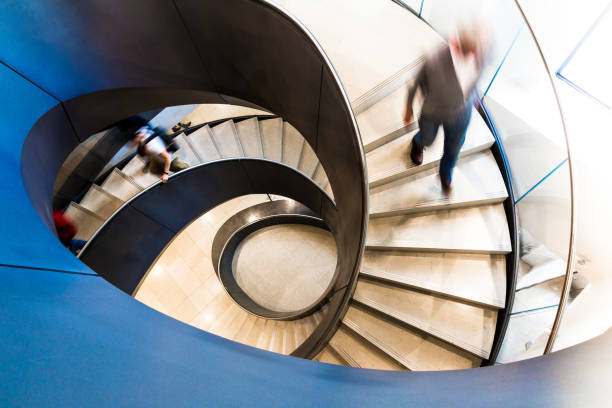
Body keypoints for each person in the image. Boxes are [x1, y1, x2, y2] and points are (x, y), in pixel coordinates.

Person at [404, 24, 489, 193]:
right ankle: (418, 142)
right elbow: (416, 82)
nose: (473, 55)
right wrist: (408, 107)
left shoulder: (480, 57)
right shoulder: (435, 60)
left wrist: (475, 97)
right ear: (456, 45)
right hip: (433, 112)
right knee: (428, 138)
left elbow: (473, 80)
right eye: (470, 50)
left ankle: (445, 175)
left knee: (453, 149)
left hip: (461, 115)